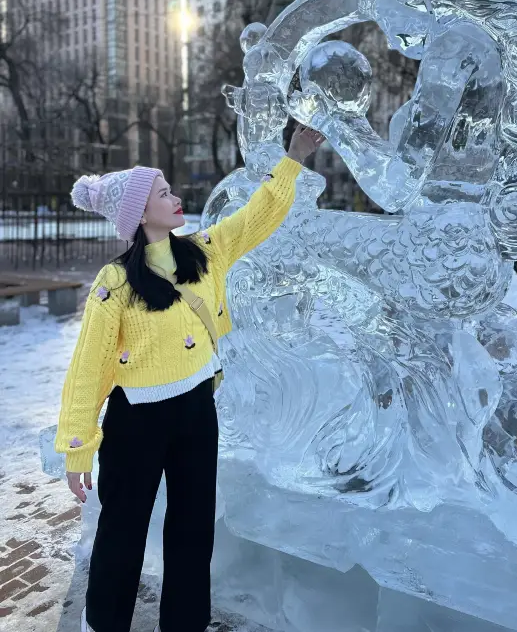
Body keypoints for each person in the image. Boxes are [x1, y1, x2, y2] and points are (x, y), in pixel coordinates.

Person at [54, 125, 325, 632]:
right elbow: (88, 368)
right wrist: (77, 448)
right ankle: (105, 623)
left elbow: (258, 218)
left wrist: (292, 159)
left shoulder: (204, 251)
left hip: (197, 412)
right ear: (139, 214)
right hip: (137, 423)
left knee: (193, 531)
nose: (176, 198)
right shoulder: (115, 283)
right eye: (163, 193)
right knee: (122, 532)